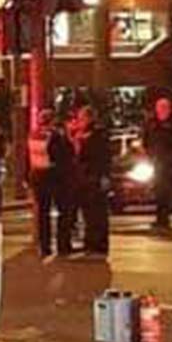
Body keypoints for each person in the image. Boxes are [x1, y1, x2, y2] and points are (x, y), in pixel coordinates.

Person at [28, 110, 75, 257]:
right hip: (55, 177)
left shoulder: (33, 134)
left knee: (43, 214)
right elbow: (67, 154)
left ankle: (45, 246)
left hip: (38, 176)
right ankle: (63, 245)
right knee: (63, 211)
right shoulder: (56, 136)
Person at [144, 96, 172, 230]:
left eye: (165, 107)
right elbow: (146, 141)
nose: (162, 110)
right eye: (160, 107)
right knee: (160, 193)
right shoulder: (152, 123)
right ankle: (162, 220)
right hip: (158, 163)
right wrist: (149, 155)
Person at [72, 105, 111, 257]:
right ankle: (90, 242)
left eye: (82, 118)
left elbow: (102, 157)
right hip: (83, 178)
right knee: (87, 213)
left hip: (93, 177)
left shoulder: (97, 135)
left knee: (97, 213)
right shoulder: (80, 135)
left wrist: (104, 176)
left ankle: (99, 244)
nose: (79, 121)